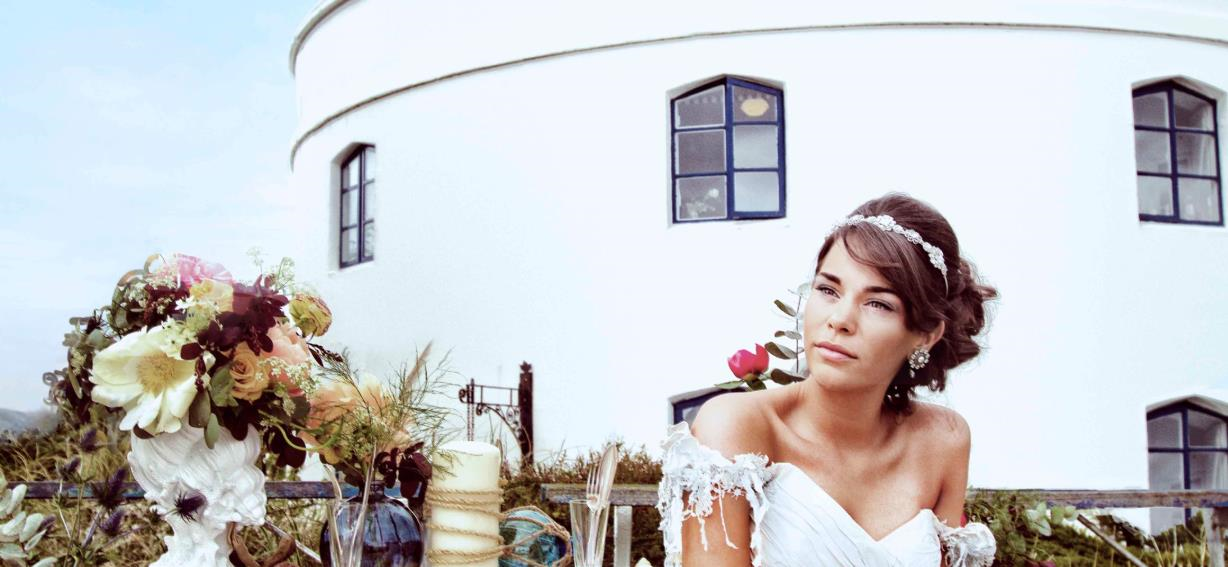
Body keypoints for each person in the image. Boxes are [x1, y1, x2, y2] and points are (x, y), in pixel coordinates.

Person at [657, 193, 999, 566]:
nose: (839, 320)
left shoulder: (944, 440)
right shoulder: (736, 426)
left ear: (925, 335)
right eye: (828, 290)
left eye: (878, 303)